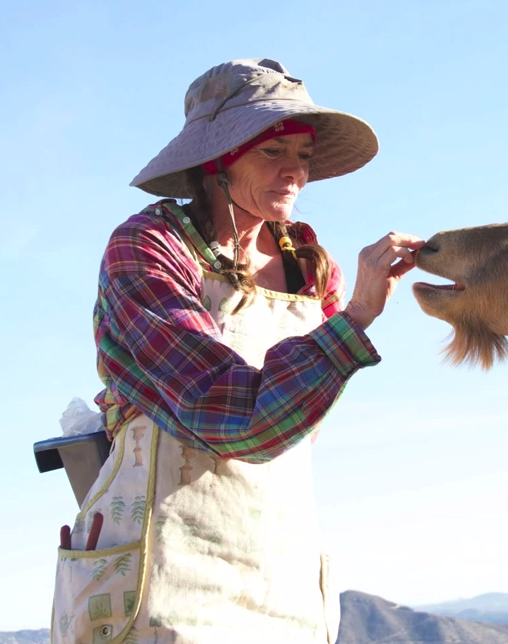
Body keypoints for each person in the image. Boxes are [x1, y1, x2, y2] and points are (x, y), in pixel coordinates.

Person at [51, 58, 424, 644]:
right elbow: (231, 412)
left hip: (278, 561)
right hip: (163, 561)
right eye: (273, 152)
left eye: (302, 154)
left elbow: (299, 426)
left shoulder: (310, 265)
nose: (296, 173)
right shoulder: (148, 248)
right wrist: (355, 321)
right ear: (217, 160)